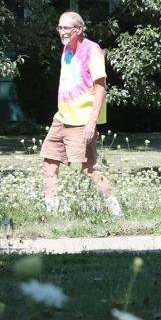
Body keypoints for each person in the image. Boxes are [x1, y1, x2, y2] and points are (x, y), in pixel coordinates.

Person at [41, 11, 122, 216]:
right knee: (49, 163)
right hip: (61, 118)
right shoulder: (66, 49)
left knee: (88, 169)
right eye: (60, 28)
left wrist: (91, 123)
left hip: (82, 121)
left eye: (66, 28)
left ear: (79, 29)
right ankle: (52, 212)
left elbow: (101, 88)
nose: (62, 32)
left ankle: (115, 209)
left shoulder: (92, 50)